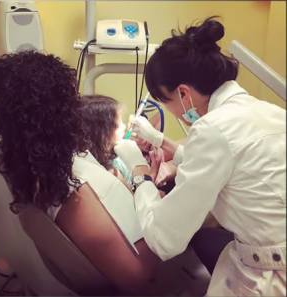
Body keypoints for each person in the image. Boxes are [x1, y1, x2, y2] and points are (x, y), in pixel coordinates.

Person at [114, 16, 286, 296]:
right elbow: (236, 163)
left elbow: (164, 238)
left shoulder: (213, 129)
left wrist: (139, 174)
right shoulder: (267, 111)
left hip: (270, 276)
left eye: (167, 103)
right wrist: (158, 139)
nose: (172, 111)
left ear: (183, 93)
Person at [0, 51, 161, 295]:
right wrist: (145, 180)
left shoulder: (32, 168)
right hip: (157, 263)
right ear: (63, 111)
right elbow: (139, 279)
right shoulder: (73, 194)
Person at [79, 95, 164, 190]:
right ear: (102, 135)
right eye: (118, 125)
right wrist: (154, 170)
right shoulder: (112, 172)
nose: (124, 126)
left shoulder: (111, 156)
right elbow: (140, 198)